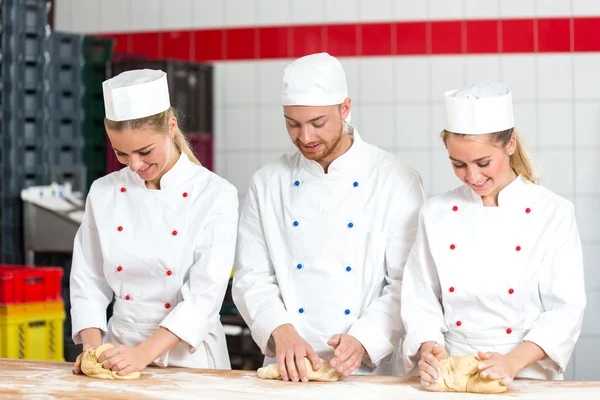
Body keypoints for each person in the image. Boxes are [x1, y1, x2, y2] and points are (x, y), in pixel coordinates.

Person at [232, 53, 426, 382]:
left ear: (345, 108)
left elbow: (407, 282)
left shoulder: (395, 178)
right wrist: (281, 331)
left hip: (371, 373)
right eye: (292, 124)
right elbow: (252, 278)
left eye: (318, 123)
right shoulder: (268, 182)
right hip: (290, 369)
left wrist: (364, 339)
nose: (305, 137)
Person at [400, 82, 586, 388]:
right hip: (451, 373)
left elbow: (566, 309)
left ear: (510, 144)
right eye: (458, 164)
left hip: (528, 374)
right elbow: (420, 300)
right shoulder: (435, 213)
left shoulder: (553, 212)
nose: (472, 176)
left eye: (483, 163)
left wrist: (511, 362)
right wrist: (428, 349)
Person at [70, 69, 238, 376]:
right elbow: (88, 280)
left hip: (190, 359)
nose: (135, 165)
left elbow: (204, 295)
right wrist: (93, 350)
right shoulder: (104, 191)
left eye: (145, 151)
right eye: (121, 153)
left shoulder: (215, 194)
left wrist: (143, 355)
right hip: (118, 351)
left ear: (171, 127)